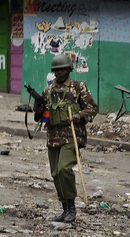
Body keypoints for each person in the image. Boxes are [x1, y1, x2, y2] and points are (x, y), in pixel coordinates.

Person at [33, 54, 97, 223]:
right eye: (56, 70)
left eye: (62, 69)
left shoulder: (78, 87)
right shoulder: (47, 91)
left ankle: (72, 208)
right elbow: (44, 117)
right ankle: (65, 209)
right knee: (55, 173)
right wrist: (38, 112)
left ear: (69, 69)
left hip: (72, 135)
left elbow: (92, 108)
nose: (59, 73)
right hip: (53, 137)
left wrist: (79, 115)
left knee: (63, 169)